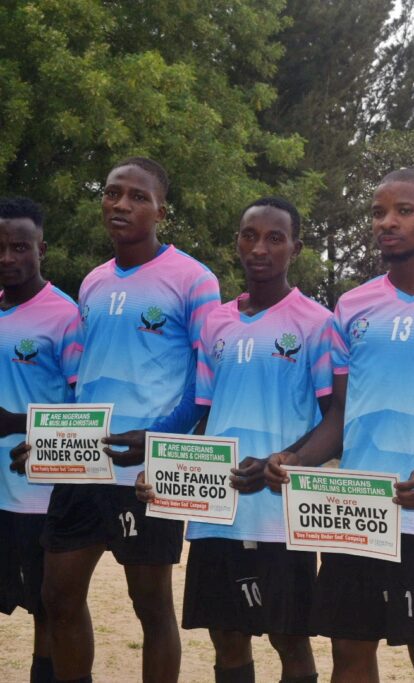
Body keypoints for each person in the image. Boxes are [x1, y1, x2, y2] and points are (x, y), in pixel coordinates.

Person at [266, 168, 414, 683]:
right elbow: (340, 416)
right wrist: (298, 459)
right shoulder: (352, 306)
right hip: (355, 507)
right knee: (350, 652)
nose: (387, 222)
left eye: (404, 211)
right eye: (378, 212)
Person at [39, 158, 220, 683]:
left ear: (161, 210)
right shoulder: (92, 283)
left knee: (151, 606)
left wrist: (160, 440)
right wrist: (52, 440)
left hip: (145, 472)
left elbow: (205, 378)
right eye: (113, 193)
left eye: (137, 197)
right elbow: (81, 378)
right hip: (82, 466)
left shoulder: (194, 279)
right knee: (58, 597)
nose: (121, 204)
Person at [135, 197, 327, 683]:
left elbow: (337, 419)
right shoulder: (214, 322)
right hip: (216, 511)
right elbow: (198, 409)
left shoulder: (318, 323)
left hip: (282, 515)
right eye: (249, 235)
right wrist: (160, 461)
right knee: (227, 636)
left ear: (295, 249)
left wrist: (288, 459)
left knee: (290, 639)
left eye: (274, 238)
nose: (259, 247)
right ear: (237, 241)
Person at [0, 197, 81, 683]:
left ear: (41, 249)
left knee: (46, 608)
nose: (8, 257)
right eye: (0, 248)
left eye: (19, 247)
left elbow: (82, 408)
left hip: (38, 493)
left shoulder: (65, 316)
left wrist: (17, 422)